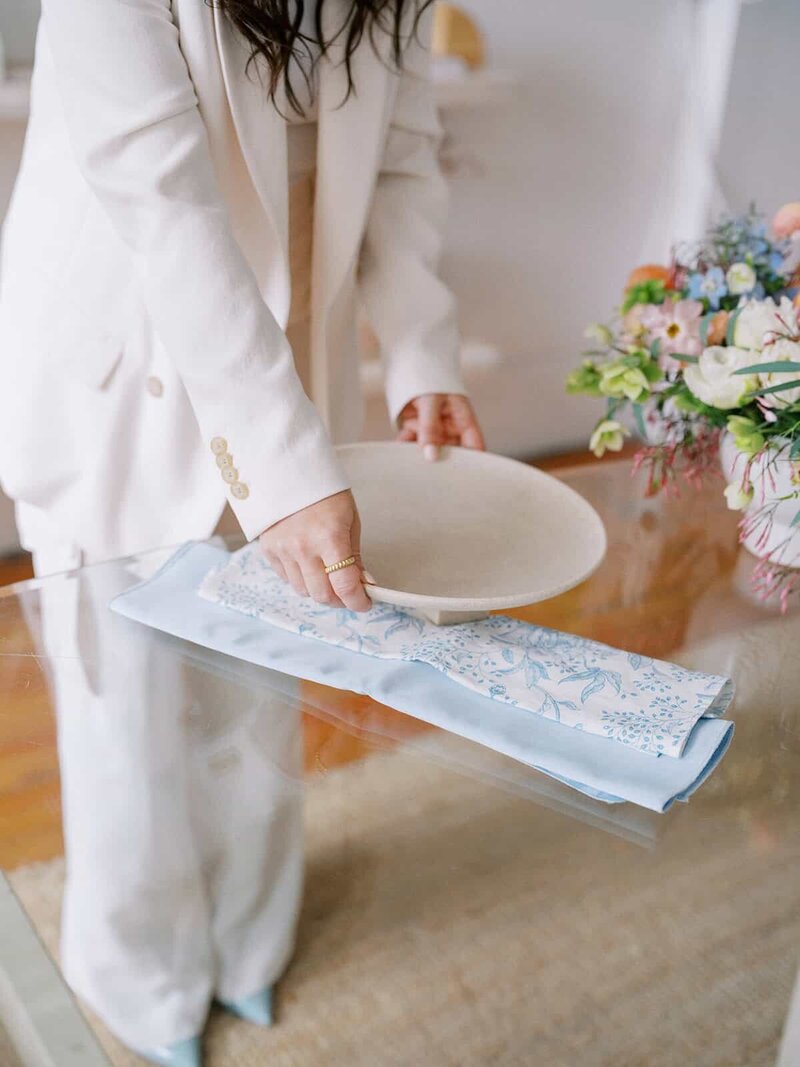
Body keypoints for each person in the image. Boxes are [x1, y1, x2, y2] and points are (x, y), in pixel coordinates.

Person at [0, 0, 484, 1061]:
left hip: (293, 356)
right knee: (122, 706)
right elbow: (165, 205)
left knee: (260, 685)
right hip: (126, 373)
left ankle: (248, 942)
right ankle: (141, 976)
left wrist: (419, 352)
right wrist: (283, 467)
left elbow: (402, 159)